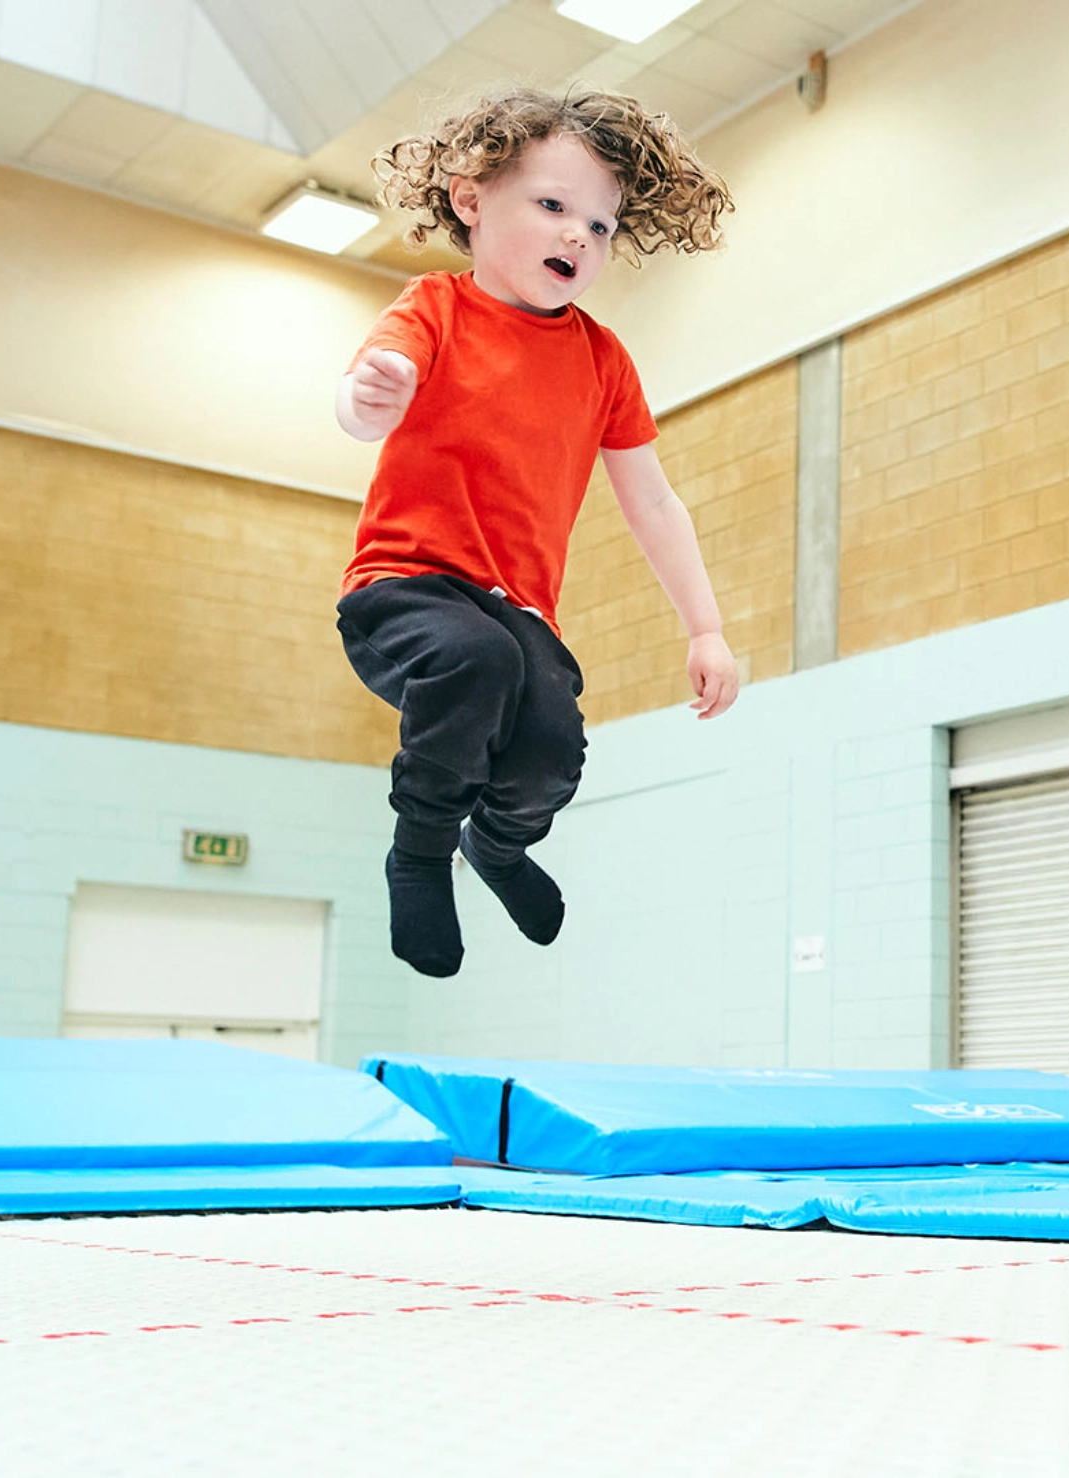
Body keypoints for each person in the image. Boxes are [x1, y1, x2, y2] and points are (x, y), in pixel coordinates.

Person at [333, 88, 739, 977]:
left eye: (599, 225)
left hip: (516, 609)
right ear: (472, 199)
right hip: (402, 590)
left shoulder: (601, 359)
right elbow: (368, 400)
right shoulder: (435, 309)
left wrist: (705, 627)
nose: (576, 238)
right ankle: (423, 852)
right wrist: (372, 394)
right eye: (553, 207)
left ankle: (500, 846)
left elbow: (655, 503)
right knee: (476, 663)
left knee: (553, 746)